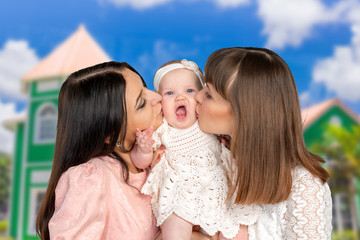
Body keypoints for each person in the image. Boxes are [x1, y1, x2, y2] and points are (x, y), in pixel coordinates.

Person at [195, 47, 333, 239]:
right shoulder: (208, 156)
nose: (197, 96)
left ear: (244, 115)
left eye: (209, 94)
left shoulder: (305, 189)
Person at [35, 61, 165, 240]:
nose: (157, 97)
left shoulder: (158, 159)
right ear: (110, 135)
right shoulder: (92, 179)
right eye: (141, 103)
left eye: (145, 87)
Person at [131, 59, 257, 240]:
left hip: (219, 187)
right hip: (180, 191)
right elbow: (140, 163)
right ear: (160, 101)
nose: (180, 97)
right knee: (175, 227)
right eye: (169, 93)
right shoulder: (162, 129)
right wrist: (143, 150)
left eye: (190, 91)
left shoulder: (207, 123)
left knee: (237, 225)